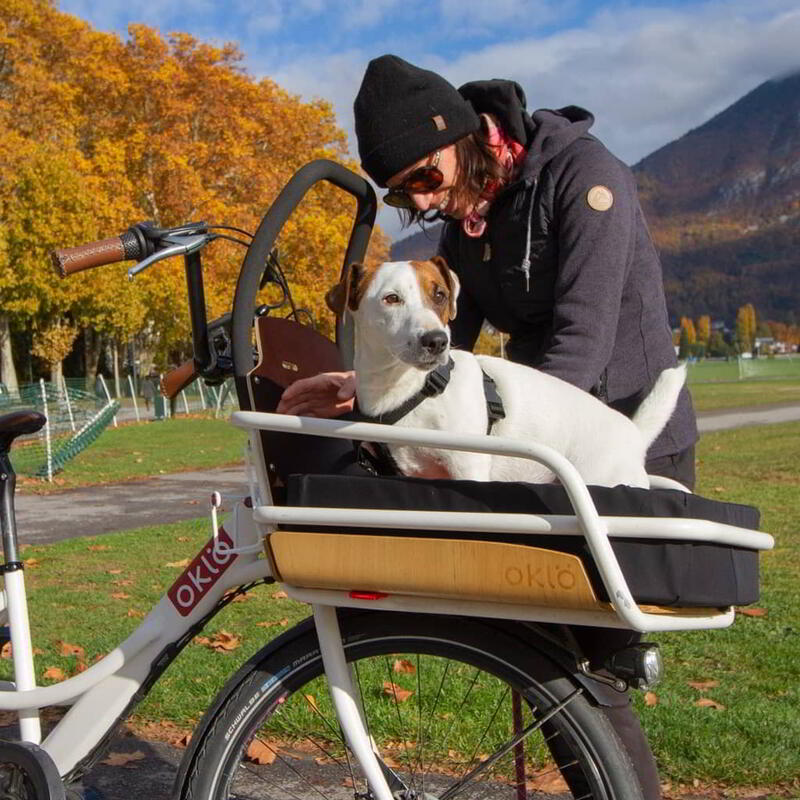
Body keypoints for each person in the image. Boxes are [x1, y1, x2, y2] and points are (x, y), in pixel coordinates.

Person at [278, 54, 699, 799]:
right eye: (404, 192)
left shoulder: (584, 179)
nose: (423, 201)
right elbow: (447, 348)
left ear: (463, 138)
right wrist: (363, 384)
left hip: (612, 438)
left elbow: (582, 339)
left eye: (425, 177)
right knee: (536, 655)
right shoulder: (472, 213)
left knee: (583, 670)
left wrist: (499, 450)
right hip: (527, 448)